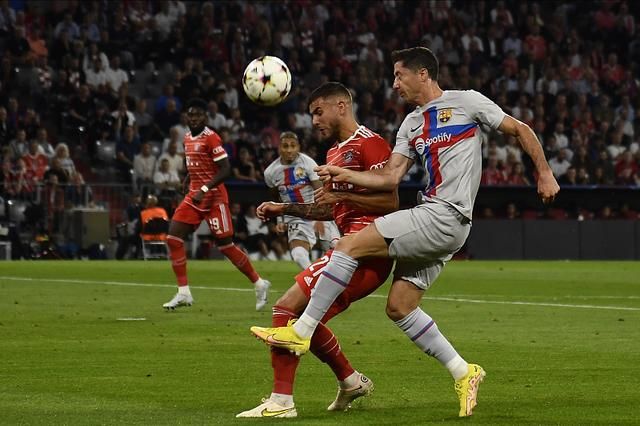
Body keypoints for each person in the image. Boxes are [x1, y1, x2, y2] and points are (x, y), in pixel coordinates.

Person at [251, 47, 560, 417]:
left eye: (400, 75)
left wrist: (543, 171)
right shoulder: (410, 125)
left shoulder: (467, 103)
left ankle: (302, 331)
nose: (395, 84)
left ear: (423, 74)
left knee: (349, 245)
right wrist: (346, 176)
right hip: (439, 220)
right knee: (399, 307)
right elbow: (390, 177)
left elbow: (520, 129)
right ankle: (465, 372)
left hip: (444, 213)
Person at [237, 82, 397, 418]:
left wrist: (343, 197)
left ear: (341, 106)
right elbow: (329, 209)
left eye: (318, 112)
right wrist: (284, 208)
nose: (314, 121)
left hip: (366, 253)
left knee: (285, 309)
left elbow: (390, 201)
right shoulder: (333, 154)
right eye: (312, 114)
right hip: (347, 253)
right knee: (299, 317)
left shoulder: (372, 143)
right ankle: (350, 381)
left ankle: (282, 402)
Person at [162, 98, 270, 311]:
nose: (193, 119)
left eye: (198, 115)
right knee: (173, 238)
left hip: (214, 198)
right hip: (194, 196)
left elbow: (225, 169)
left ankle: (259, 283)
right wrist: (187, 181)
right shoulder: (186, 138)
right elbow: (195, 164)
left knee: (226, 246)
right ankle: (184, 292)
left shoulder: (211, 138)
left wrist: (203, 189)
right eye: (190, 115)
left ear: (205, 117)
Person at [263, 131, 339, 270]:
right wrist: (280, 220)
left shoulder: (308, 163)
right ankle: (314, 280)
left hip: (316, 212)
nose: (289, 150)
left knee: (335, 250)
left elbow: (321, 192)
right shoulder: (270, 172)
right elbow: (274, 198)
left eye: (293, 146)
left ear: (298, 147)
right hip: (296, 218)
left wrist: (321, 218)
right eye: (285, 146)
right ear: (279, 148)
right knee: (298, 254)